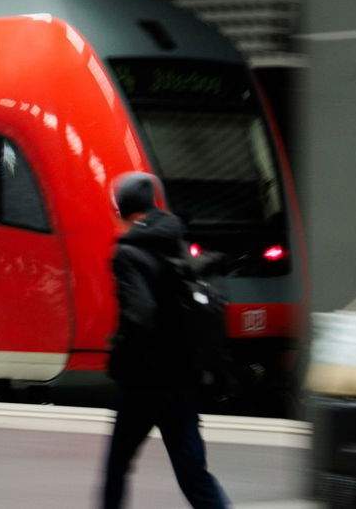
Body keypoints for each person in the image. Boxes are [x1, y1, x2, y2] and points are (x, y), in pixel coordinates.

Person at [99, 172, 229, 509]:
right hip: (184, 379)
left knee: (117, 468)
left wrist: (121, 355)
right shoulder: (177, 242)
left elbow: (140, 313)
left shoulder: (127, 253)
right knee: (193, 474)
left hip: (144, 382)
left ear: (123, 208)